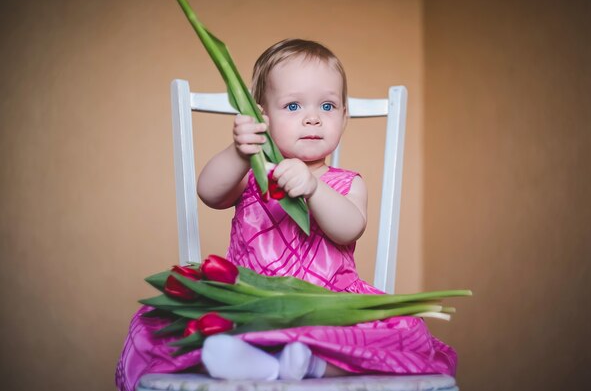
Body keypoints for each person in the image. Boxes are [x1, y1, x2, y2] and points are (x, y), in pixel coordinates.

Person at [115, 39, 456, 391]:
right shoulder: (251, 175)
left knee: (407, 331)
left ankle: (310, 364)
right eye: (292, 105)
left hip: (326, 308)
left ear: (344, 116)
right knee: (161, 323)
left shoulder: (346, 183)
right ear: (262, 116)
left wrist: (314, 188)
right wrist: (239, 152)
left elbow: (349, 228)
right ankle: (259, 361)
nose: (312, 117)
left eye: (327, 105)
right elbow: (209, 193)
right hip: (252, 304)